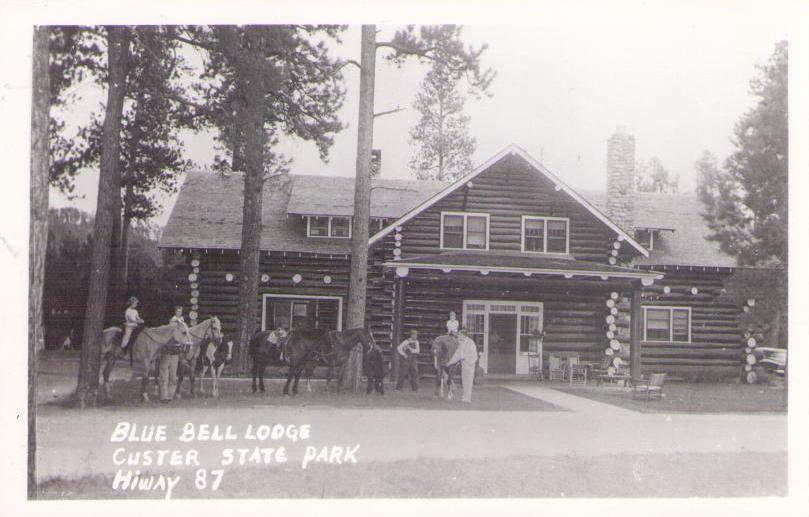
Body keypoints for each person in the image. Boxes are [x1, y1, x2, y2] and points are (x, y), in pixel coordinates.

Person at [446, 328, 479, 403]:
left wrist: (468, 362)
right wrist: (449, 363)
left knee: (468, 382)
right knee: (464, 382)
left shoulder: (471, 343)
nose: (458, 336)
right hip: (464, 365)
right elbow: (457, 355)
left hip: (470, 366)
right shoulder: (462, 343)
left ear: (464, 335)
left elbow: (474, 356)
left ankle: (467, 399)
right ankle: (464, 398)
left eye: (460, 335)